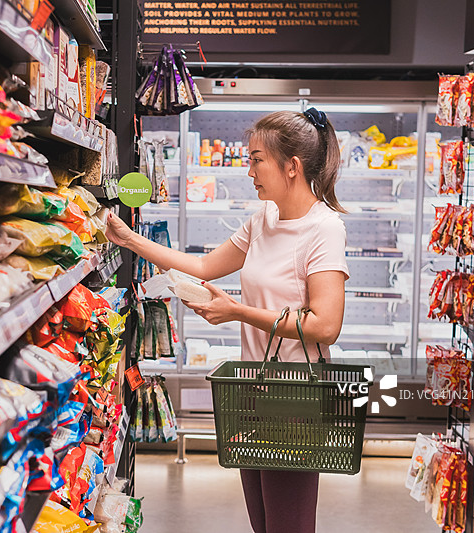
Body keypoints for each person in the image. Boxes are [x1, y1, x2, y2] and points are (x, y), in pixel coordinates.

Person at [105, 108, 349, 533]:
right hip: (250, 391)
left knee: (288, 526)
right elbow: (203, 266)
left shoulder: (324, 229)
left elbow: (325, 326)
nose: (249, 170)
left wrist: (237, 311)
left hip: (293, 398)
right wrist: (129, 239)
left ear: (291, 166)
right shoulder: (262, 220)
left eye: (257, 160)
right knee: (263, 523)